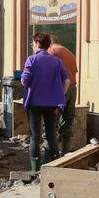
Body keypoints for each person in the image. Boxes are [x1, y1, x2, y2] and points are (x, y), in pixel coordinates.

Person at [22, 32, 70, 171]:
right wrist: (60, 95)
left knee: (35, 136)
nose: (33, 46)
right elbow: (66, 80)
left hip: (34, 103)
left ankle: (34, 169)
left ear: (37, 44)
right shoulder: (56, 61)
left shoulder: (31, 60)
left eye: (33, 43)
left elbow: (25, 80)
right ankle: (54, 166)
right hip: (52, 104)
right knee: (51, 135)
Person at [49, 35, 79, 152]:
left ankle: (51, 155)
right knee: (67, 125)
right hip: (72, 88)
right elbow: (74, 71)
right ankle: (65, 154)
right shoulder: (70, 53)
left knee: (51, 123)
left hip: (60, 88)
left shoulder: (51, 51)